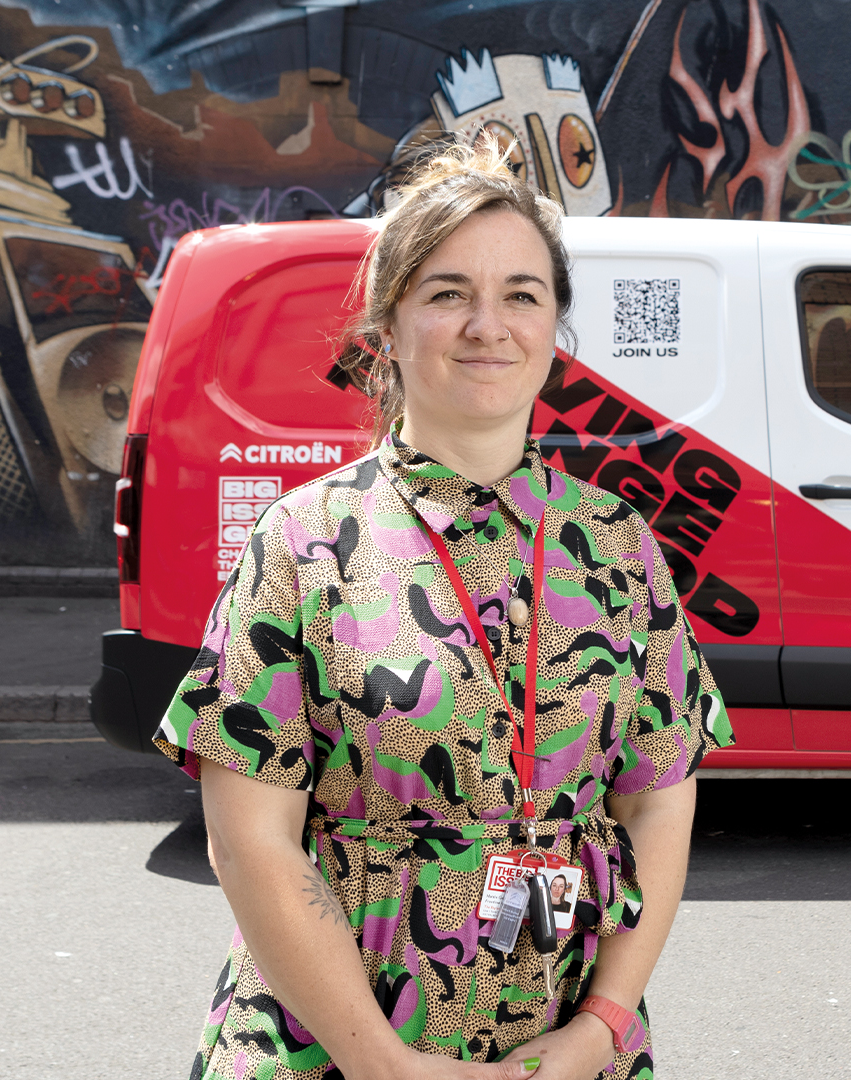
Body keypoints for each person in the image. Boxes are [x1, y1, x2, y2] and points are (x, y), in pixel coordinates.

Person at [155, 134, 733, 1080]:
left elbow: (658, 798)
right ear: (387, 328)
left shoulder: (618, 543)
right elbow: (248, 841)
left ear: (554, 328)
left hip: (560, 1044)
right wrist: (385, 1065)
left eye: (522, 295)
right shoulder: (303, 540)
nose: (487, 326)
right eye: (448, 293)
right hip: (333, 1048)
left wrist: (603, 1026)